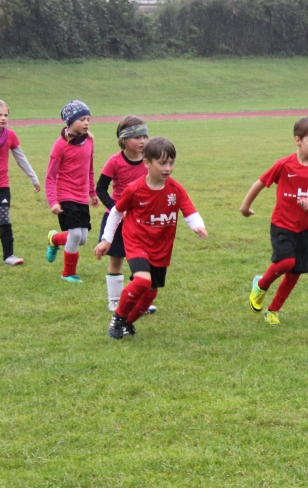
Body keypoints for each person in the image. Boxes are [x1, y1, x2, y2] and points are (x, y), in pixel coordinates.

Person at [95, 136, 207, 339]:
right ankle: (118, 318)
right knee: (142, 281)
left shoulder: (175, 190)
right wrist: (107, 239)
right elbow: (116, 212)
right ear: (147, 163)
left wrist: (197, 225)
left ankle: (127, 323)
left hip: (161, 246)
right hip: (136, 241)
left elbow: (189, 211)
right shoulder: (134, 189)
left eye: (171, 163)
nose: (168, 168)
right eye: (162, 163)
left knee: (151, 293)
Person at [240, 117, 308, 325]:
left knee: (295, 272)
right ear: (297, 140)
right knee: (287, 262)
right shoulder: (284, 165)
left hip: (304, 227)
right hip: (282, 224)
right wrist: (245, 207)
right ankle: (260, 285)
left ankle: (273, 310)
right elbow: (260, 183)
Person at [96, 116, 155, 315]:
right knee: (117, 259)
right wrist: (116, 209)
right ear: (123, 139)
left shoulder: (149, 161)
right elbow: (101, 189)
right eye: (137, 137)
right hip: (117, 220)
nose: (142, 141)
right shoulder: (114, 161)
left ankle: (139, 300)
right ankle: (114, 301)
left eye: (144, 136)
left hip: (141, 219)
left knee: (142, 259)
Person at [45, 100, 99, 283]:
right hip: (65, 195)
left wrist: (92, 192)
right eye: (82, 119)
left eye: (88, 119)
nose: (86, 123)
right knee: (75, 235)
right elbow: (50, 177)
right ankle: (68, 273)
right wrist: (53, 201)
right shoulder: (60, 145)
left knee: (81, 239)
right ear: (70, 121)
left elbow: (90, 169)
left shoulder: (89, 141)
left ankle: (54, 239)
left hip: (81, 196)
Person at [0, 99, 40, 266]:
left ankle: (9, 256)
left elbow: (20, 158)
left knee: (4, 220)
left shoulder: (10, 135)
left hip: (1, 186)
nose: (3, 118)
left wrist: (33, 177)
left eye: (6, 115)